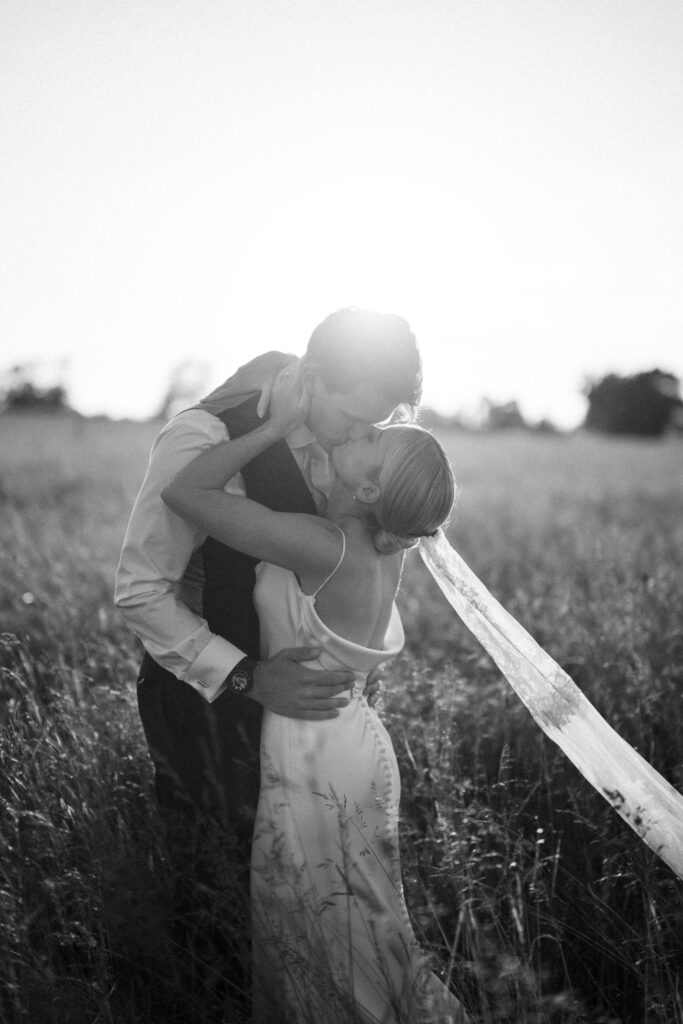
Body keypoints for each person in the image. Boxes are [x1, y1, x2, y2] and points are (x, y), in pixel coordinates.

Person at [114, 308, 423, 1016]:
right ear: (311, 378)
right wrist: (248, 677)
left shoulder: (351, 447)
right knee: (215, 895)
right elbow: (140, 591)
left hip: (306, 719)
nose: (355, 436)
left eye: (370, 425)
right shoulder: (204, 436)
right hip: (202, 694)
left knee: (299, 893)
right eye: (349, 417)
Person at [161, 365, 469, 1023]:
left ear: (367, 485)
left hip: (312, 747)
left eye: (373, 442)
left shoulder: (320, 545)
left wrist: (272, 425)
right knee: (366, 920)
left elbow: (186, 491)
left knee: (314, 924)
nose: (362, 431)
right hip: (355, 737)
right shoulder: (388, 547)